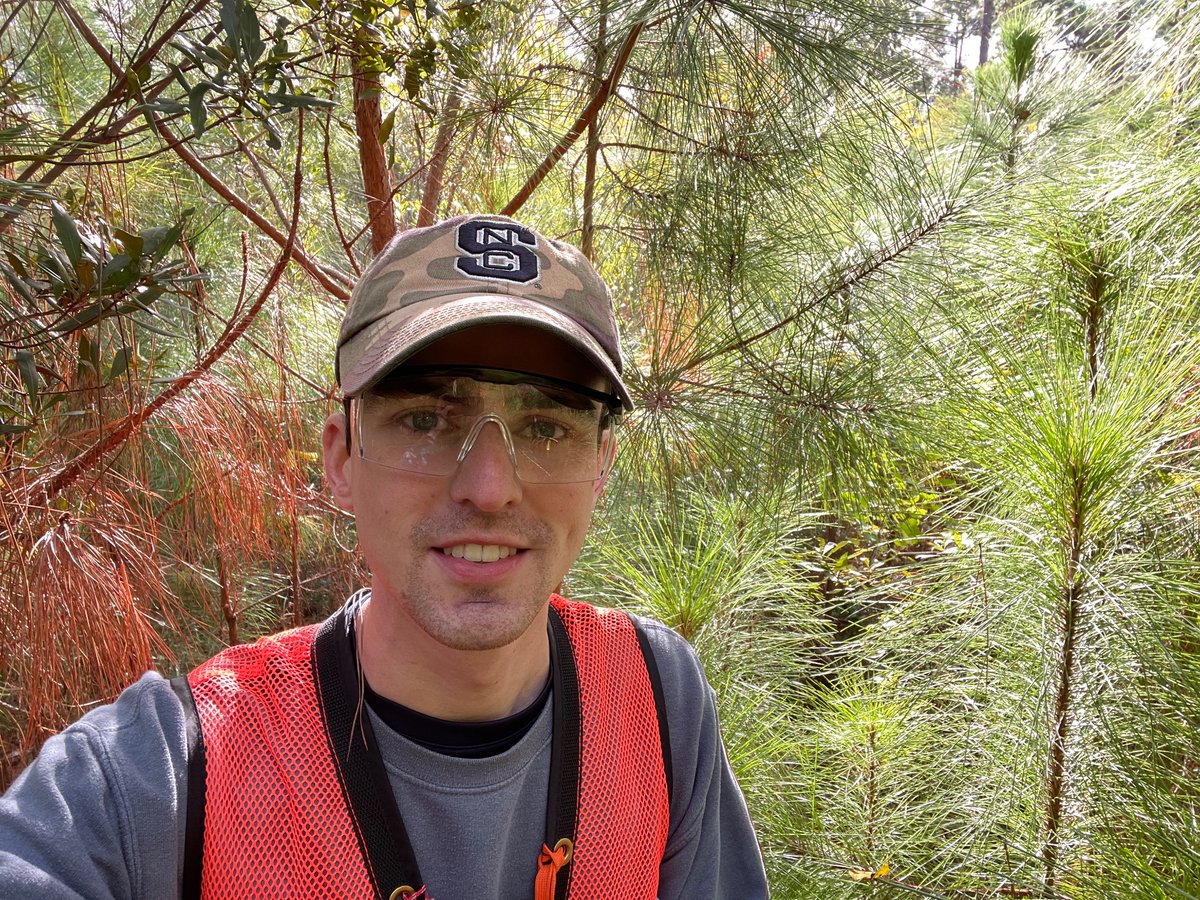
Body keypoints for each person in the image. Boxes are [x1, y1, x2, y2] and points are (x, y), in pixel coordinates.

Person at [0, 214, 769, 899]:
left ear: (601, 465)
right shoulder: (165, 778)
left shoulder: (657, 698)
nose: (491, 488)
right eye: (427, 418)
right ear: (342, 457)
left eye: (545, 426)